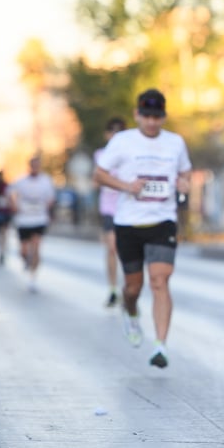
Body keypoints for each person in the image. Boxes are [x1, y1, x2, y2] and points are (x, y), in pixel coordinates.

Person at [94, 89, 192, 369]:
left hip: (163, 221)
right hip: (128, 224)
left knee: (160, 280)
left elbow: (184, 172)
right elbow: (98, 175)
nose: (151, 122)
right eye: (146, 116)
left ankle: (160, 345)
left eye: (157, 117)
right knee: (133, 287)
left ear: (163, 117)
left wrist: (184, 183)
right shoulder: (123, 142)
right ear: (137, 115)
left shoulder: (175, 143)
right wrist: (127, 187)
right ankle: (131, 310)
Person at [8, 155, 56, 293]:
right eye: (33, 165)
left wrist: (47, 207)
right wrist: (14, 205)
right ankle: (26, 260)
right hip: (24, 219)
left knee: (36, 246)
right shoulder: (21, 180)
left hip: (39, 218)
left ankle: (32, 278)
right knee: (24, 250)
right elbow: (10, 193)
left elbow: (51, 198)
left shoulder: (46, 180)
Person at [94, 117, 127, 307]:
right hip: (109, 209)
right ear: (107, 134)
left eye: (119, 132)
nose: (115, 136)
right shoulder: (100, 155)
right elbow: (96, 179)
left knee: (127, 252)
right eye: (112, 131)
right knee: (112, 248)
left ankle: (128, 288)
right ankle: (113, 288)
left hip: (128, 208)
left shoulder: (130, 154)